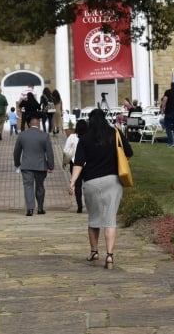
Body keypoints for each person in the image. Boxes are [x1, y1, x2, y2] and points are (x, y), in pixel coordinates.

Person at [68, 108, 133, 269]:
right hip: (113, 180)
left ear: (90, 120)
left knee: (94, 219)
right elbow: (129, 152)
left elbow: (78, 163)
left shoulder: (84, 138)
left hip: (91, 181)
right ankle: (109, 255)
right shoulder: (115, 133)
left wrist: (72, 181)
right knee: (110, 219)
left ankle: (94, 251)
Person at [13, 112, 54, 216]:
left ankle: (30, 209)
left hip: (26, 165)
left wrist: (17, 163)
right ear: (39, 124)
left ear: (29, 124)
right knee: (40, 186)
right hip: (41, 165)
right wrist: (50, 166)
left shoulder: (22, 135)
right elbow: (49, 152)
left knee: (28, 186)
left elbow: (16, 151)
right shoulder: (44, 135)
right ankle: (40, 208)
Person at [63, 119, 88, 213]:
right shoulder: (89, 137)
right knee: (88, 185)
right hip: (87, 163)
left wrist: (66, 160)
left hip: (75, 163)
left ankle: (79, 206)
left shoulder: (72, 137)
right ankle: (89, 204)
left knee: (77, 185)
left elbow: (66, 150)